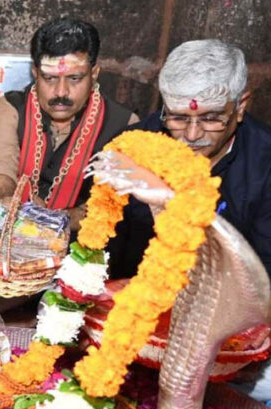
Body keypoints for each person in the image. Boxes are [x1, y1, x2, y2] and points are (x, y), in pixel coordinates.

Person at [108, 39, 271, 283]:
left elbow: (262, 280)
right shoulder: (133, 148)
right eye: (178, 118)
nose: (192, 135)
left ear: (240, 107)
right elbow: (107, 245)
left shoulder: (265, 165)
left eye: (211, 118)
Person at [0, 17, 139, 231]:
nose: (61, 92)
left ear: (94, 74)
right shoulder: (12, 108)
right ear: (35, 73)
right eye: (50, 78)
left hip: (82, 243)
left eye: (74, 79)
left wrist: (55, 220)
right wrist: (10, 200)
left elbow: (113, 203)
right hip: (12, 233)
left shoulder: (124, 124)